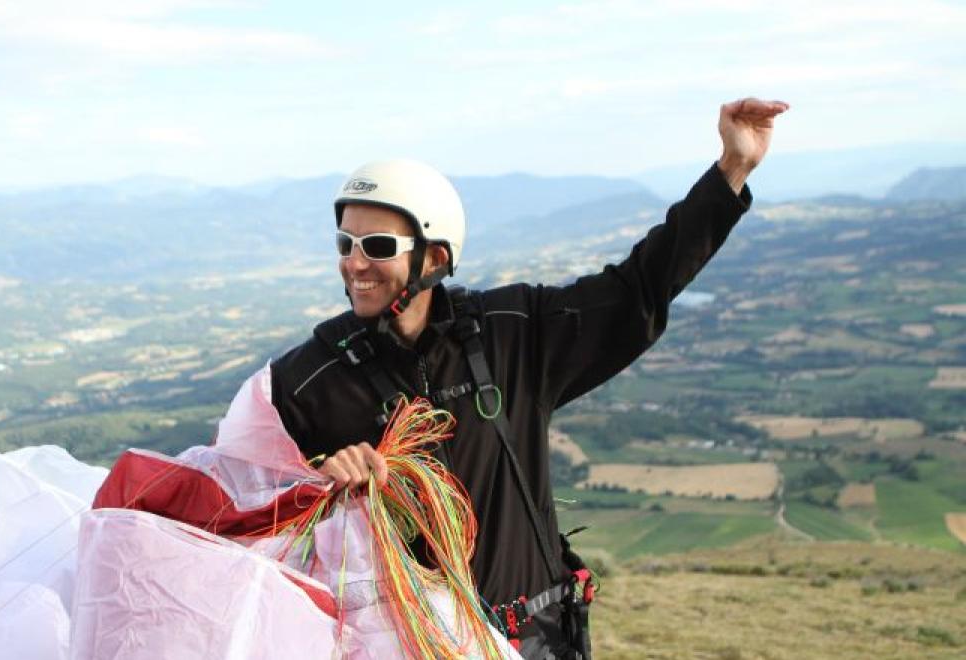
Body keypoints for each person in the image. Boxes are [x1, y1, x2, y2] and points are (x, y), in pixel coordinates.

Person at [268, 98, 788, 657]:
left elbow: (637, 289)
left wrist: (731, 170)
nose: (354, 263)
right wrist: (315, 476)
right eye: (345, 244)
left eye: (376, 246)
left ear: (435, 255)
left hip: (538, 641)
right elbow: (248, 498)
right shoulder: (307, 380)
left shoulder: (511, 332)